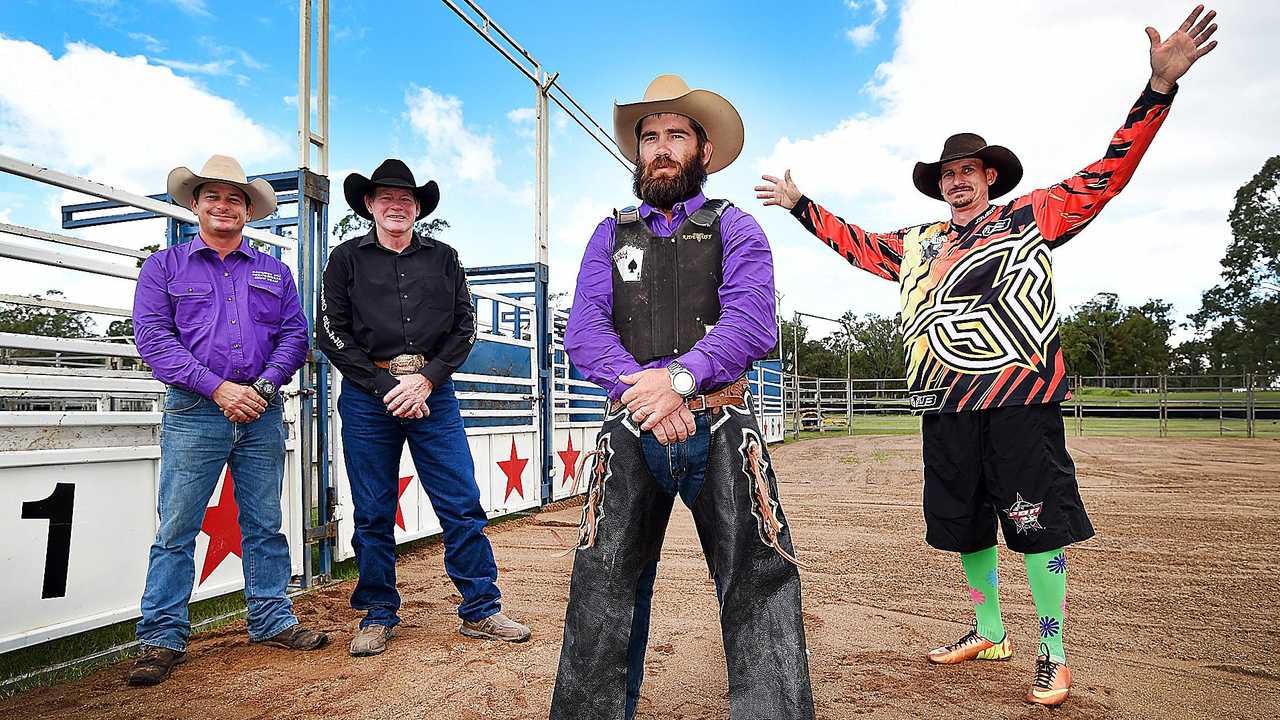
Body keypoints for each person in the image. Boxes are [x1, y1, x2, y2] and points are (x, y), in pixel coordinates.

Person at [756, 6, 1218, 706]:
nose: (958, 181)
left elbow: (1108, 173)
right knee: (965, 523)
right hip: (944, 405)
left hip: (1019, 401)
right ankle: (989, 629)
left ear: (990, 178)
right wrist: (800, 204)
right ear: (939, 184)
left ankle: (1054, 652)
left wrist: (1156, 91)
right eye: (948, 174)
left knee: (1037, 523)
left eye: (969, 171)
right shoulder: (916, 242)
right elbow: (851, 241)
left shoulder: (1034, 214)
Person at [551, 75, 815, 720]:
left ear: (704, 151)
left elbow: (752, 320)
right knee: (603, 584)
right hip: (631, 426)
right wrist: (646, 394)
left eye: (676, 135)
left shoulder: (737, 227)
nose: (661, 148)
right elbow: (584, 332)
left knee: (757, 580)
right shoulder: (609, 233)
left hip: (720, 420)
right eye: (649, 137)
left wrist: (679, 380)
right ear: (637, 153)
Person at [317, 158, 530, 657]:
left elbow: (465, 328)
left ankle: (481, 608)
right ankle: (378, 613)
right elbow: (331, 332)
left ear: (418, 208)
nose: (397, 205)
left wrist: (426, 380)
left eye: (406, 199)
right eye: (386, 197)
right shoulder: (345, 259)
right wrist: (384, 386)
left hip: (434, 393)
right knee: (372, 509)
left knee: (460, 500)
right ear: (369, 204)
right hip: (371, 396)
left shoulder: (445, 258)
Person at [129, 154, 326, 686]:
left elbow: (294, 336)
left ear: (247, 212)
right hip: (195, 410)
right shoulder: (162, 268)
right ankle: (160, 637)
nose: (223, 206)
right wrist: (218, 388)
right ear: (194, 205)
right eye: (213, 196)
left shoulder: (274, 272)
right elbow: (153, 340)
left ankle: (270, 618)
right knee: (177, 528)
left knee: (264, 522)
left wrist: (260, 388)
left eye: (234, 199)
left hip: (260, 410)